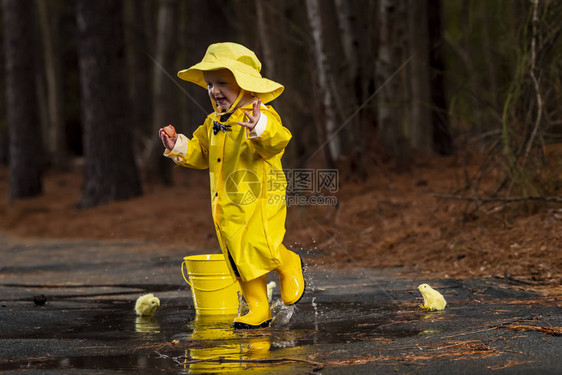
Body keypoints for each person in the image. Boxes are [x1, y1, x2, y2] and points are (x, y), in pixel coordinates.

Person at [159, 42, 305, 329]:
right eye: (210, 84)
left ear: (245, 85)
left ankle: (288, 263)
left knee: (260, 245)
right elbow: (202, 152)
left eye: (222, 83)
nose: (214, 91)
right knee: (238, 256)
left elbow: (278, 140)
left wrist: (259, 126)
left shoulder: (261, 114)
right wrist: (178, 145)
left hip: (260, 197)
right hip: (227, 202)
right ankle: (259, 308)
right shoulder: (213, 122)